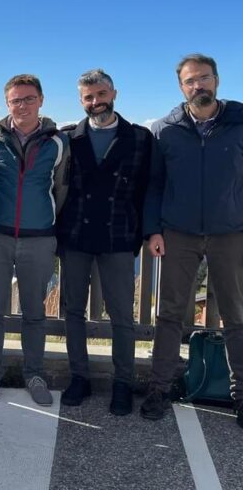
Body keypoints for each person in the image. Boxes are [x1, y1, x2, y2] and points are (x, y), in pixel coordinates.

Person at [141, 54, 243, 429]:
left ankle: (241, 395)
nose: (198, 85)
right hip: (178, 233)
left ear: (217, 80)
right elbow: (153, 184)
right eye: (190, 81)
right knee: (169, 313)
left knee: (237, 315)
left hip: (230, 232)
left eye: (204, 78)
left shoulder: (239, 121)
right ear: (181, 87)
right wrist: (153, 229)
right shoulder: (164, 129)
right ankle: (159, 388)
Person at [56, 69, 152, 415]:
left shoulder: (140, 138)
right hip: (75, 235)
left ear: (114, 93)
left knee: (122, 315)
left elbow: (148, 190)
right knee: (73, 311)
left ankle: (122, 383)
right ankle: (78, 377)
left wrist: (147, 231)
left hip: (119, 235)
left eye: (101, 94)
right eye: (88, 97)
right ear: (81, 101)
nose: (96, 102)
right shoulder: (69, 137)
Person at [0, 74, 69, 407]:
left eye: (29, 99)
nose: (23, 105)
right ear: (7, 104)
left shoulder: (58, 142)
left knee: (34, 312)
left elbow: (61, 189)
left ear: (41, 100)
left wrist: (44, 221)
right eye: (16, 100)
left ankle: (34, 373)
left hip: (38, 239)